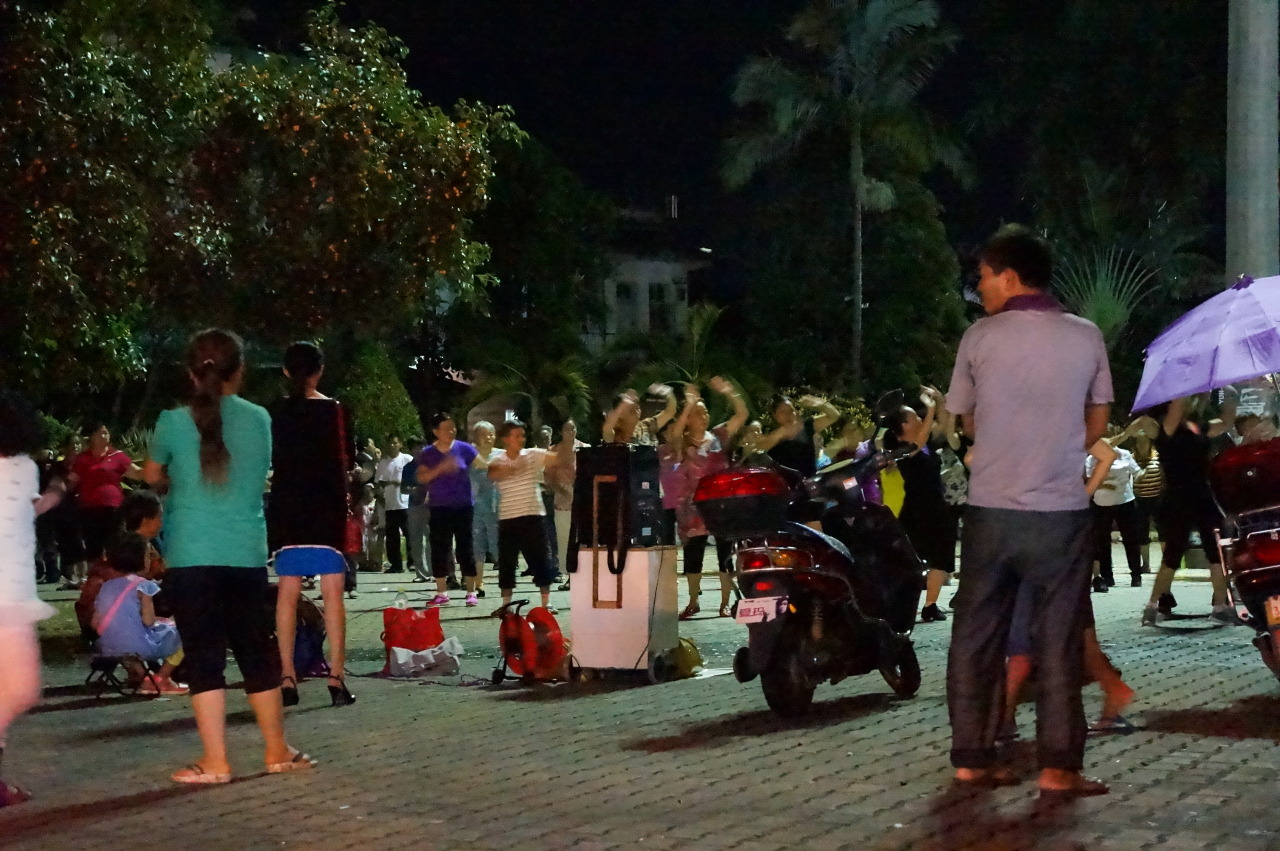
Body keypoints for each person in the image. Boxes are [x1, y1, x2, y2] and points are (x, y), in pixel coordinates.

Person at [945, 225, 1113, 797]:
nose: (980, 288)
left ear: (1010, 276)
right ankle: (1058, 767)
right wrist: (1058, 450)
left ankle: (972, 758)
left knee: (976, 634)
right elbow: (1098, 419)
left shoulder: (979, 337)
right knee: (1058, 637)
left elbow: (968, 420)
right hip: (1060, 512)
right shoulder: (1085, 336)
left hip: (991, 510)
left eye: (984, 277)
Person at [143, 328, 313, 784]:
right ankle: (276, 749)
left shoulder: (171, 421)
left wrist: (175, 479)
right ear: (239, 372)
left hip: (190, 552)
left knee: (204, 657)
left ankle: (215, 761)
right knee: (257, 652)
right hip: (244, 553)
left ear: (190, 372)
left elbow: (153, 475)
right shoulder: (259, 419)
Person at [267, 341, 356, 709]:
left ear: (286, 371)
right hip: (326, 511)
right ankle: (336, 676)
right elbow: (347, 461)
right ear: (320, 371)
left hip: (288, 510)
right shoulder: (335, 411)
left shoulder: (276, 412)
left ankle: (287, 676)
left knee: (287, 595)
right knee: (333, 595)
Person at [0, 388, 65, 806]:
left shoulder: (21, 469)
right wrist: (58, 491)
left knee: (15, 688)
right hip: (9, 596)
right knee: (20, 688)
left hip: (12, 595)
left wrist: (55, 493)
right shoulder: (22, 467)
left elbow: (24, 511)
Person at [1141, 394, 1239, 626]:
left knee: (1215, 550)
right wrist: (1186, 388)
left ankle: (1220, 606)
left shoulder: (1199, 427)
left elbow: (1226, 422)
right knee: (1173, 554)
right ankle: (1152, 606)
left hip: (1202, 495)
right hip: (1178, 497)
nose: (1199, 400)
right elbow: (1177, 406)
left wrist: (1231, 397)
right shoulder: (1168, 427)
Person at [671, 379, 748, 619]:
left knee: (725, 555)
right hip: (693, 508)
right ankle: (693, 601)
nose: (703, 417)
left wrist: (729, 392)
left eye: (705, 412)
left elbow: (742, 414)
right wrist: (688, 405)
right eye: (697, 413)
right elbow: (674, 433)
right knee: (693, 556)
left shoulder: (718, 436)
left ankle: (724, 603)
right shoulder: (682, 441)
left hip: (720, 505)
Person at [881, 386, 954, 623]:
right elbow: (916, 445)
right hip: (915, 509)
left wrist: (939, 401)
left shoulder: (926, 443)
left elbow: (941, 425)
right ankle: (900, 606)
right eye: (914, 417)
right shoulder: (899, 447)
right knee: (910, 560)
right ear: (903, 425)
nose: (920, 419)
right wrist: (930, 410)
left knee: (941, 557)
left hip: (936, 506)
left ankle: (930, 605)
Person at [93, 533, 187, 695]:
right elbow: (148, 621)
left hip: (107, 647)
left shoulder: (106, 586)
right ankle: (162, 677)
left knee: (125, 641)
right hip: (139, 648)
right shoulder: (144, 586)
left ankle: (144, 678)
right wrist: (162, 621)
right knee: (186, 632)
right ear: (142, 560)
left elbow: (95, 622)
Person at [488, 419, 560, 614]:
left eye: (523, 435)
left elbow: (557, 458)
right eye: (516, 435)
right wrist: (508, 468)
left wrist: (564, 444)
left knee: (541, 560)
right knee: (507, 564)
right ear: (505, 439)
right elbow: (491, 474)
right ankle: (506, 605)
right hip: (508, 518)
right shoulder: (497, 458)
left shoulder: (532, 454)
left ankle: (546, 603)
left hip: (533, 516)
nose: (521, 439)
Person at [75, 489, 166, 638]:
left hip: (96, 621)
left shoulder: (123, 542)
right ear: (146, 521)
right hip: (108, 623)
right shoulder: (134, 549)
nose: (162, 522)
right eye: (159, 517)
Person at [66, 422, 142, 588]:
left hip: (113, 508)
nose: (104, 436)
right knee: (93, 549)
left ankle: (118, 583)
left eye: (106, 432)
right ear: (92, 436)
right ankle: (96, 585)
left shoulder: (118, 456)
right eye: (100, 433)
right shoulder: (83, 458)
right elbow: (71, 481)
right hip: (89, 509)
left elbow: (137, 473)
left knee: (116, 546)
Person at [416, 413, 479, 606]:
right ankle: (441, 592)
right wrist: (441, 468)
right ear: (436, 432)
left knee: (466, 547)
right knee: (440, 548)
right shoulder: (428, 453)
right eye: (446, 428)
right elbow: (421, 478)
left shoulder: (465, 448)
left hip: (463, 505)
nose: (451, 431)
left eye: (453, 427)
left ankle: (471, 592)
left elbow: (483, 466)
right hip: (439, 506)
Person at [1085, 428, 1144, 591]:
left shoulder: (1124, 454)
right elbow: (1091, 480)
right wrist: (1107, 484)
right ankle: (1107, 576)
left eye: (1108, 435)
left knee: (1131, 539)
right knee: (1103, 541)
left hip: (1124, 501)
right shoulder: (1092, 458)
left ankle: (1136, 575)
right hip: (1101, 503)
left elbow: (1137, 472)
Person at [545, 418, 589, 590]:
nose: (571, 432)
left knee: (582, 540)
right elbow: (548, 477)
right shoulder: (553, 451)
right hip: (562, 502)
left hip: (582, 502)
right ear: (561, 432)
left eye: (573, 429)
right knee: (564, 540)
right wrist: (562, 491)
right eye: (567, 429)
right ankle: (570, 575)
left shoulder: (584, 449)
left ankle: (583, 576)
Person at [468, 421, 500, 598]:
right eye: (483, 434)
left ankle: (506, 583)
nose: (488, 438)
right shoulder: (469, 457)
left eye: (491, 434)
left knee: (498, 546)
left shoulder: (501, 456)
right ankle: (478, 583)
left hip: (497, 508)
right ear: (476, 437)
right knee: (476, 547)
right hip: (475, 510)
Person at [375, 435, 414, 574]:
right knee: (392, 537)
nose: (392, 445)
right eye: (390, 443)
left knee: (409, 534)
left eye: (395, 443)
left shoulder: (407, 459)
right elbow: (378, 482)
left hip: (405, 504)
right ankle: (396, 564)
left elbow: (415, 477)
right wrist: (381, 495)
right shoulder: (383, 462)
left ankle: (412, 562)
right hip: (390, 504)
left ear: (400, 444)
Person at [400, 437, 432, 583]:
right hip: (414, 506)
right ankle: (421, 573)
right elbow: (403, 488)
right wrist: (411, 490)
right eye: (416, 447)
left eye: (421, 447)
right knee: (416, 540)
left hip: (431, 505)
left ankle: (435, 572)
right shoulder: (408, 468)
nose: (419, 450)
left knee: (432, 539)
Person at [603, 384, 677, 445]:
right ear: (619, 416)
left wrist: (668, 393)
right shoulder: (616, 435)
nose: (637, 408)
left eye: (637, 406)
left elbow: (670, 412)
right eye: (631, 410)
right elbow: (607, 429)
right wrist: (622, 405)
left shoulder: (647, 426)